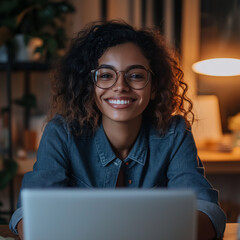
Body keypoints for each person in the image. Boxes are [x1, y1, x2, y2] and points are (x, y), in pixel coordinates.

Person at [9, 20, 226, 239]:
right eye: (105, 75)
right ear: (89, 86)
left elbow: (207, 214)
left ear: (154, 88)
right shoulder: (61, 133)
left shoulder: (175, 133)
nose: (120, 86)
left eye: (135, 75)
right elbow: (28, 220)